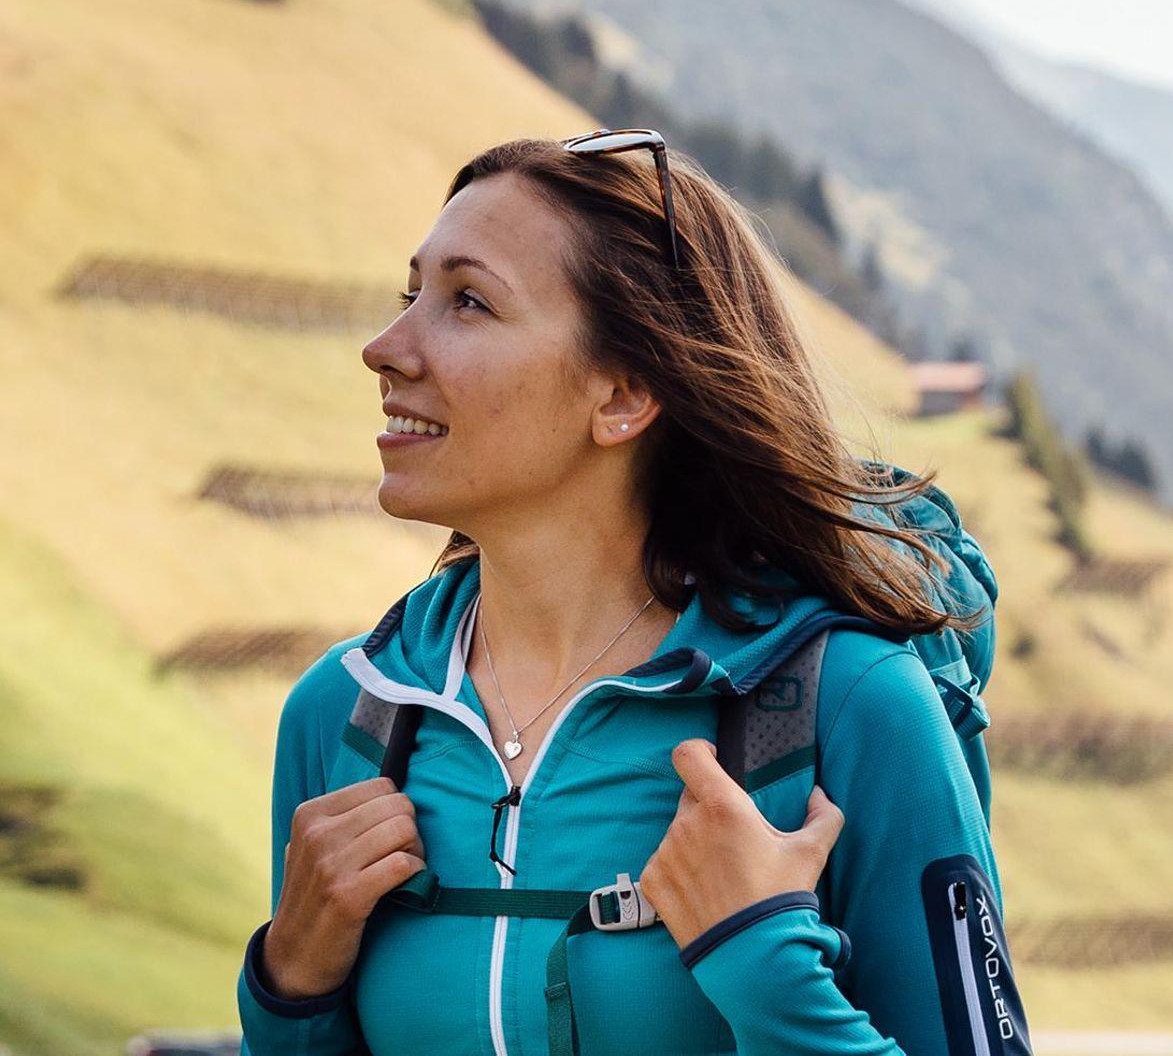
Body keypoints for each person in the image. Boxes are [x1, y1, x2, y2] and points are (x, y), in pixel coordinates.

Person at [235, 129, 1029, 1056]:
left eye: (469, 302)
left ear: (623, 395)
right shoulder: (344, 717)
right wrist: (290, 987)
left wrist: (766, 968)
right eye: (410, 295)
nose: (385, 348)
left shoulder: (854, 708)